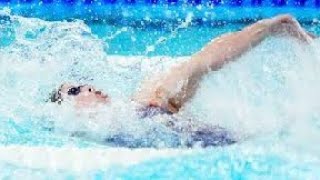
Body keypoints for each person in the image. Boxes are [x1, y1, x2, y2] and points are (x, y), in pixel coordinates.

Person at [50, 14, 315, 148]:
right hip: (163, 122)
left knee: (192, 68)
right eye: (75, 91)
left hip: (152, 116)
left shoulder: (111, 117)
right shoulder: (82, 125)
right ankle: (270, 28)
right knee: (193, 68)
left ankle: (272, 27)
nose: (87, 87)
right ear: (66, 107)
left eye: (82, 84)